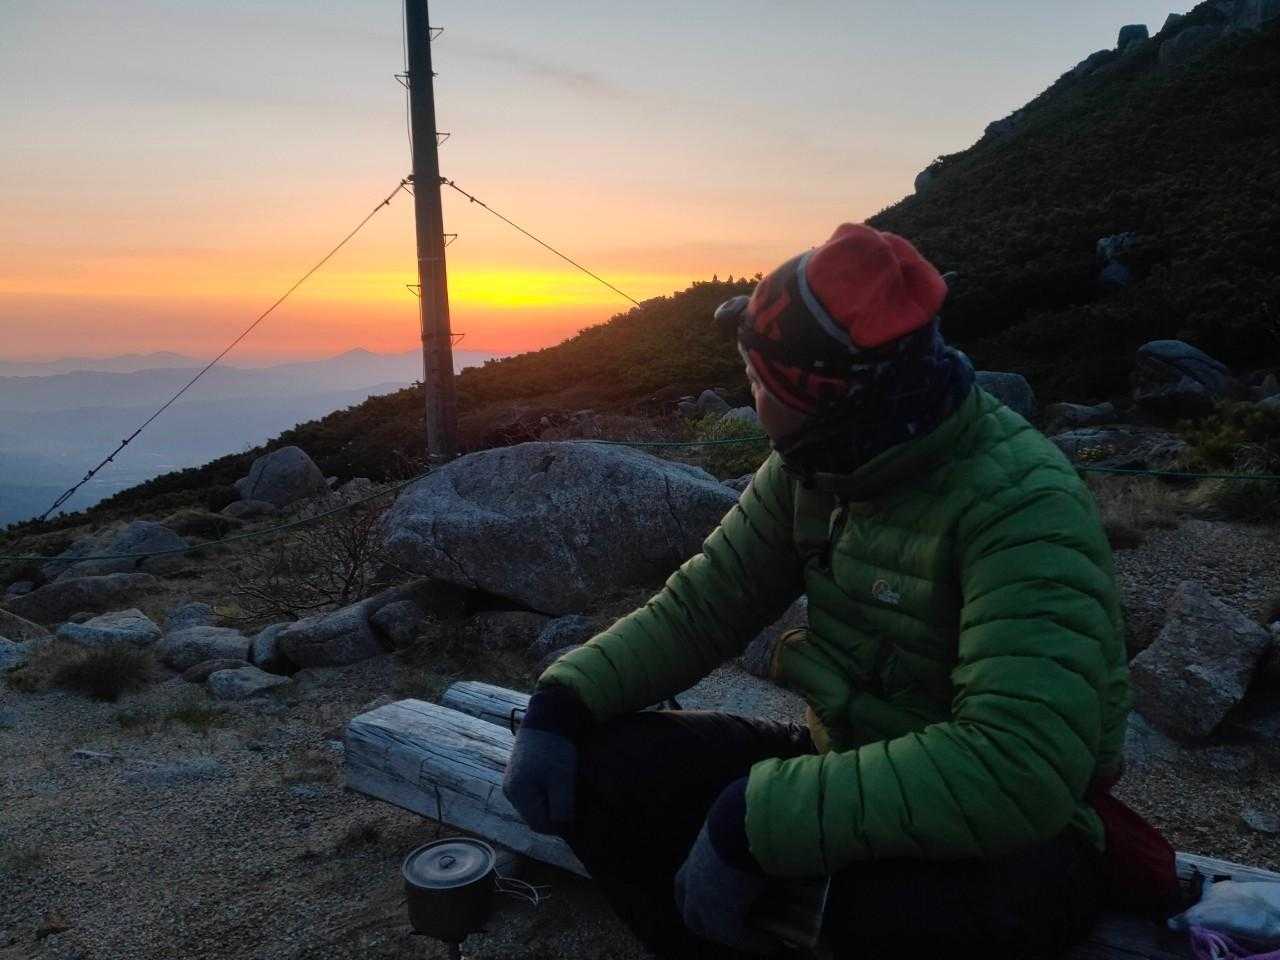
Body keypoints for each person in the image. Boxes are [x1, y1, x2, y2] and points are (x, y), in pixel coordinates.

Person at [503, 223, 1131, 959]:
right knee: (602, 769)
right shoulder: (818, 464)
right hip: (850, 758)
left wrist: (754, 822)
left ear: (827, 402)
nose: (752, 397)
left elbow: (1018, 766)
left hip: (1022, 836)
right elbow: (706, 605)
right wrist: (563, 700)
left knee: (874, 912)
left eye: (759, 381)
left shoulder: (1023, 503)